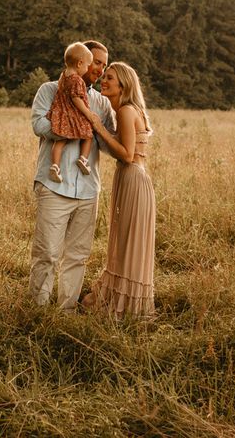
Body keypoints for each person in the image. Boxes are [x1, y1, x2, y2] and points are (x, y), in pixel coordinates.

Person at [29, 40, 115, 312]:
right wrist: (75, 127)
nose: (99, 69)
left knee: (78, 256)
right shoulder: (49, 90)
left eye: (103, 64)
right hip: (54, 186)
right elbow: (38, 124)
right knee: (47, 254)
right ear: (83, 61)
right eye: (95, 62)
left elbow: (110, 139)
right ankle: (38, 311)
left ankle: (65, 311)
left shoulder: (102, 103)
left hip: (89, 190)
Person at [82, 62, 155, 320]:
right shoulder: (128, 110)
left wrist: (98, 126)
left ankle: (123, 304)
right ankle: (122, 297)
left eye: (110, 78)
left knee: (126, 242)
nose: (104, 80)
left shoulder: (125, 111)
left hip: (133, 177)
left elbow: (126, 154)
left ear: (123, 85)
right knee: (126, 241)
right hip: (135, 179)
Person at [46, 42, 96, 184]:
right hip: (72, 115)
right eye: (87, 65)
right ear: (80, 63)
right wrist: (88, 113)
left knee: (60, 141)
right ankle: (83, 159)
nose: (87, 69)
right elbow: (76, 99)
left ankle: (55, 166)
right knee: (88, 135)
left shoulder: (63, 77)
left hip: (61, 114)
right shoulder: (77, 80)